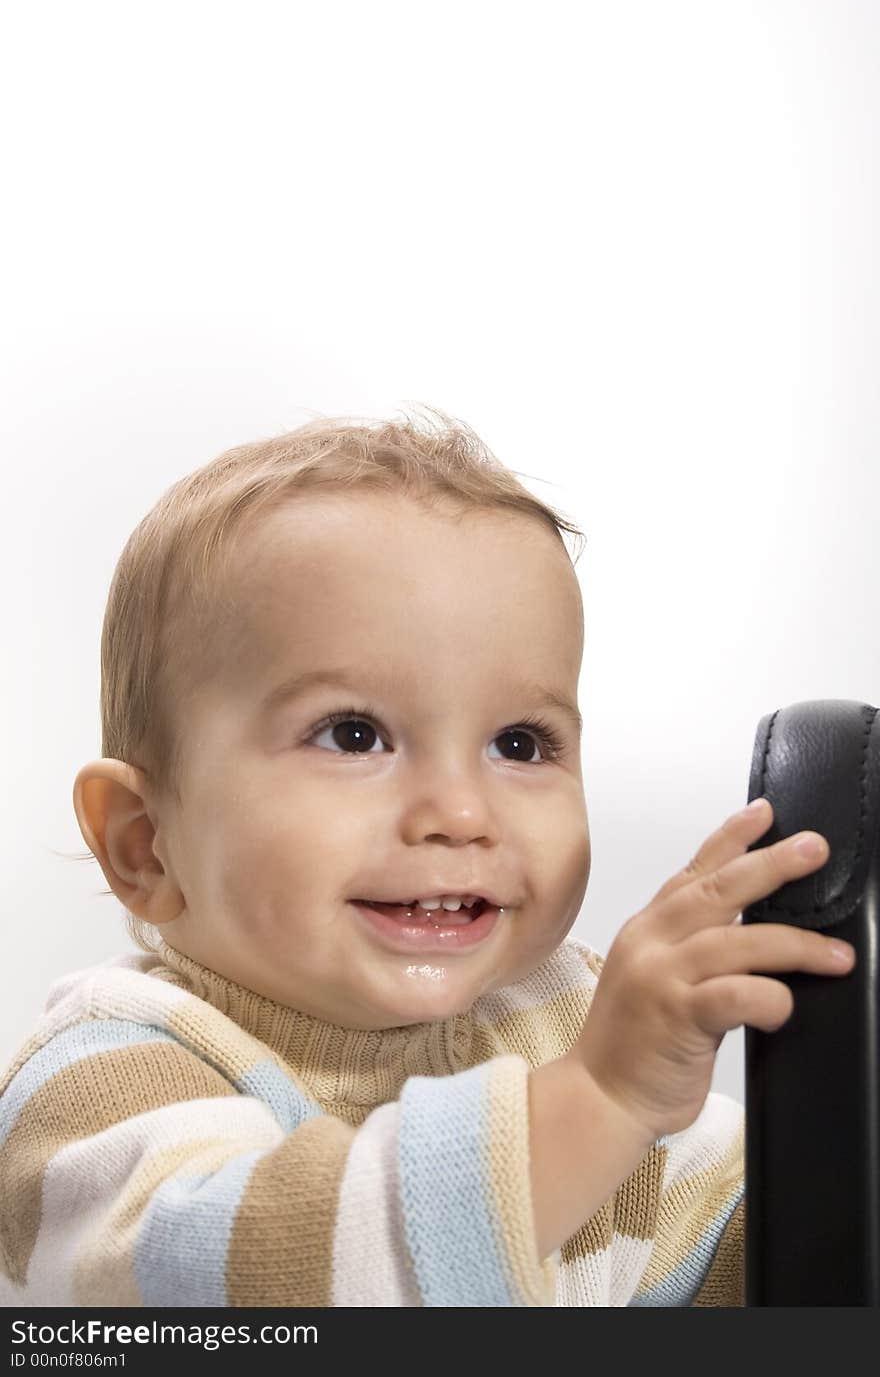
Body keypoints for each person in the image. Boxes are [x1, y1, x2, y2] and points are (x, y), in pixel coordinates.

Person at [0, 407, 854, 1307]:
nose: (460, 812)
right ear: (145, 841)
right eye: (354, 733)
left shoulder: (564, 1019)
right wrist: (599, 1100)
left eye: (520, 744)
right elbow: (242, 1288)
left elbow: (773, 1262)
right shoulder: (101, 1080)